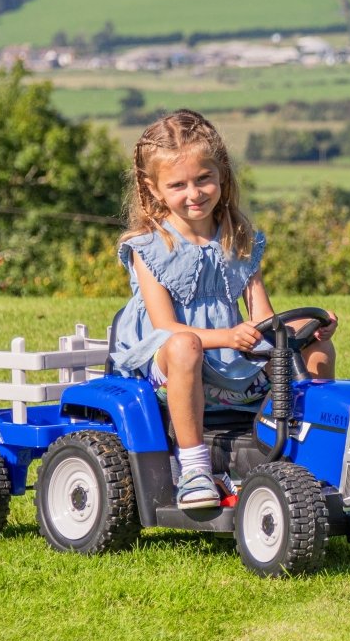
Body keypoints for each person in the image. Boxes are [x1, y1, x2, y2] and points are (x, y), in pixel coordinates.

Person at [110, 109, 336, 510]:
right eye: (178, 185)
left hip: (231, 359)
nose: (194, 193)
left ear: (222, 175)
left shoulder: (239, 238)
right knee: (185, 346)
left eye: (203, 179)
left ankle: (311, 448)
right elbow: (164, 327)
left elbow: (263, 319)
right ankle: (194, 466)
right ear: (153, 189)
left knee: (315, 347)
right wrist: (229, 337)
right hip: (168, 362)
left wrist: (305, 328)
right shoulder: (148, 247)